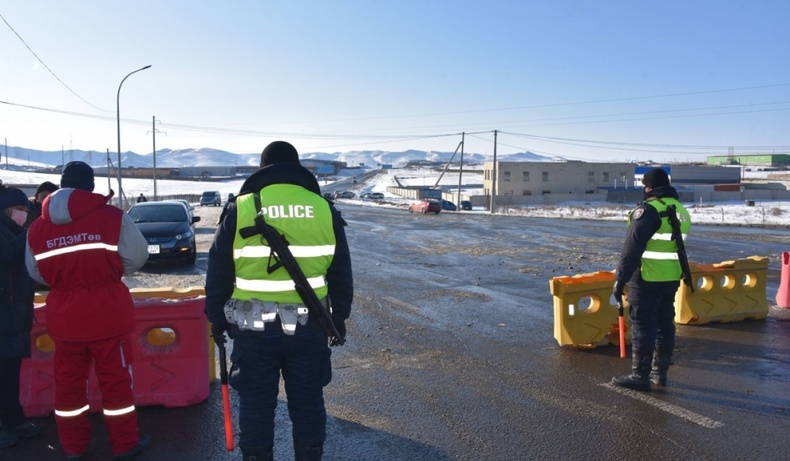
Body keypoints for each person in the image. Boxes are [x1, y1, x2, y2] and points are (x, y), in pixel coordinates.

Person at [205, 141, 353, 461]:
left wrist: (216, 318)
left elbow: (218, 269)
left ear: (263, 169)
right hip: (310, 324)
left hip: (252, 327)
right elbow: (341, 270)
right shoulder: (323, 209)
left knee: (257, 404)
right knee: (308, 402)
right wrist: (338, 315)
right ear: (296, 169)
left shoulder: (241, 207)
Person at [25, 162, 150, 460]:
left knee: (68, 389)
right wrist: (106, 274)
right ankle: (124, 445)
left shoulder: (38, 227)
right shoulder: (113, 217)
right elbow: (137, 257)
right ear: (91, 186)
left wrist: (65, 282)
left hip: (65, 320)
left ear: (61, 185)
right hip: (108, 317)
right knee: (116, 386)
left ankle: (74, 448)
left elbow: (36, 273)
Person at [611, 168, 691, 391]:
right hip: (671, 277)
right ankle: (660, 373)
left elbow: (632, 249)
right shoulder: (681, 210)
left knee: (643, 325)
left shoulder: (648, 211)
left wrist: (620, 279)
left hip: (646, 277)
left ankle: (640, 376)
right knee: (665, 326)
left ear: (649, 187)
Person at [0, 181, 42, 449]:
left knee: (10, 372)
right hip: (4, 314)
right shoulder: (9, 234)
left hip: (15, 315)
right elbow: (5, 255)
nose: (22, 214)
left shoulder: (14, 230)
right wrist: (27, 237)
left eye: (25, 209)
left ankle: (15, 420)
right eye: (17, 209)